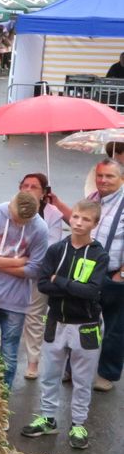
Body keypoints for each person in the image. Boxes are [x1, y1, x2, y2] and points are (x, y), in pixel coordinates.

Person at [20, 199, 108, 450]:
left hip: (86, 326)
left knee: (82, 379)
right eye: (76, 217)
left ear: (95, 223)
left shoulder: (98, 255)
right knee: (49, 375)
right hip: (56, 322)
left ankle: (78, 423)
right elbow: (43, 284)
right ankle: (47, 417)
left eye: (86, 219)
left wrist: (60, 280)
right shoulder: (56, 249)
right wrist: (68, 286)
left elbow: (92, 292)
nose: (79, 223)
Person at [0, 192, 50, 387]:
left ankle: (2, 398)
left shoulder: (40, 228)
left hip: (15, 301)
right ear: (10, 206)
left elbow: (34, 269)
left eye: (24, 222)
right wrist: (16, 262)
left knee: (9, 354)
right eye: (15, 219)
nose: (19, 224)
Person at [17, 173, 71, 378]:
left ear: (43, 193)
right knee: (12, 315)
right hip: (12, 272)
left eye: (34, 187)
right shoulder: (11, 209)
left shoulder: (52, 213)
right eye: (25, 186)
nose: (28, 190)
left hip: (39, 273)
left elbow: (51, 245)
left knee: (34, 318)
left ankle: (33, 362)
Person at [89, 159, 124, 392]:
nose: (103, 180)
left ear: (121, 178)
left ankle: (106, 374)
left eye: (109, 176)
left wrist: (121, 274)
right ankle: (77, 368)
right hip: (88, 272)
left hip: (115, 275)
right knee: (82, 322)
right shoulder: (93, 199)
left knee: (115, 328)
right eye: (100, 175)